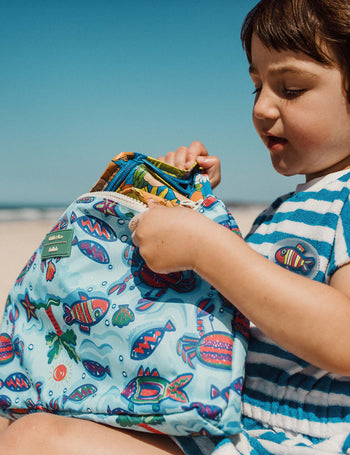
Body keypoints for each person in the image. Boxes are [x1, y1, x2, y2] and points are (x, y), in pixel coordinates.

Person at [1, 0, 350, 453]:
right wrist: (190, 202)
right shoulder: (289, 208)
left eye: (291, 87)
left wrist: (205, 246)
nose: (263, 108)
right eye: (256, 87)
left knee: (37, 439)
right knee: (21, 415)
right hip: (234, 423)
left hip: (302, 439)